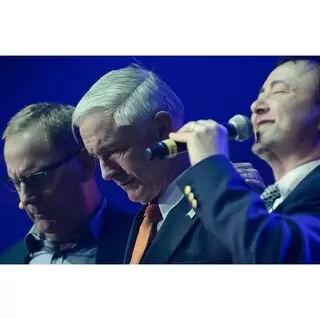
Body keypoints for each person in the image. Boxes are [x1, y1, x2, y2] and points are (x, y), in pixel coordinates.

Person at [72, 64, 265, 264]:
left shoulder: (230, 200)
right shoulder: (147, 217)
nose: (106, 173)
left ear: (161, 128)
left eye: (114, 150)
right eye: (97, 157)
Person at [169, 56, 320, 263]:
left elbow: (276, 254)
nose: (255, 106)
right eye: (260, 94)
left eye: (279, 91)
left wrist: (211, 167)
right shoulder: (264, 201)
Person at [0, 102, 134, 264]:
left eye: (36, 178)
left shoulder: (143, 242)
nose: (25, 197)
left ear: (85, 163)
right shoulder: (7, 261)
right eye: (16, 182)